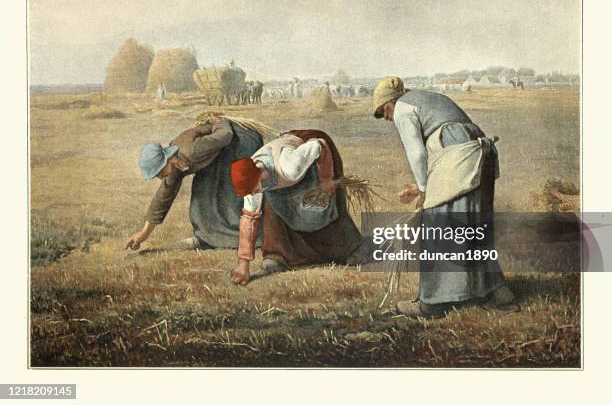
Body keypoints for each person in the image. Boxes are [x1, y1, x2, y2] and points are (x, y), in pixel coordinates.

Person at [372, 76, 515, 318]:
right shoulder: (427, 99)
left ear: (391, 103)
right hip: (480, 155)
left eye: (383, 111)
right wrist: (421, 187)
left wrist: (426, 191)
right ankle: (498, 294)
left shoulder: (403, 109)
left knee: (438, 223)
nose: (385, 117)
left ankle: (433, 303)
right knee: (473, 224)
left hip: (460, 156)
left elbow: (417, 155)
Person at [228, 130, 363, 285]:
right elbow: (249, 219)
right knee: (274, 209)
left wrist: (325, 179)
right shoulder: (251, 177)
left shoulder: (289, 167)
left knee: (322, 206)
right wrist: (243, 265)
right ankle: (279, 256)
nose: (251, 194)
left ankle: (351, 249)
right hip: (287, 165)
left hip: (314, 153)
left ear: (259, 175)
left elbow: (319, 145)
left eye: (253, 189)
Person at [125, 116, 263, 251]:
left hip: (241, 141)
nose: (161, 178)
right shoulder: (174, 165)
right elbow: (163, 197)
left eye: (160, 173)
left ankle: (252, 237)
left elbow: (225, 135)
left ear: (167, 159)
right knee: (201, 194)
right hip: (219, 151)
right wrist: (144, 234)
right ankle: (207, 238)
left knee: (231, 192)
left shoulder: (192, 151)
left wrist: (220, 120)